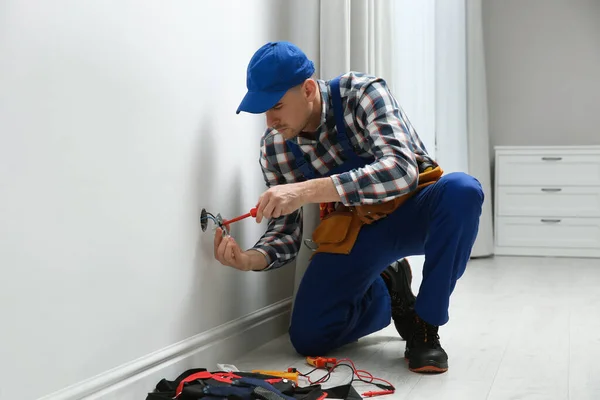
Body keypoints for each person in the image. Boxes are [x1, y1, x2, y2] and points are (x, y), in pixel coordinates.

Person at [213, 41, 484, 374]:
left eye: (277, 107)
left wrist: (306, 190)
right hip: (356, 233)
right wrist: (249, 260)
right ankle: (387, 289)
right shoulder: (275, 148)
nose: (270, 121)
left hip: (414, 211)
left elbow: (401, 169)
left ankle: (425, 324)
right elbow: (286, 230)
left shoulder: (362, 94)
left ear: (308, 89)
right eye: (264, 111)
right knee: (309, 337)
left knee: (463, 191)